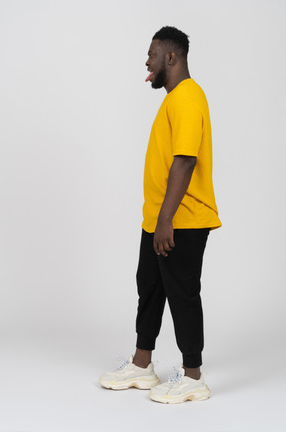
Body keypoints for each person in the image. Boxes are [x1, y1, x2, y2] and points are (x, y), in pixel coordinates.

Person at [99, 26, 222, 404]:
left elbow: (185, 160)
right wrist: (157, 219)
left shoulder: (187, 97)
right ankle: (142, 365)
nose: (147, 61)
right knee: (149, 290)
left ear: (172, 57)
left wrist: (167, 219)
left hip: (181, 220)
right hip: (158, 219)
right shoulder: (172, 100)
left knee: (182, 294)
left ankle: (193, 376)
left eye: (152, 54)